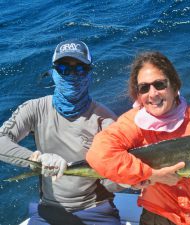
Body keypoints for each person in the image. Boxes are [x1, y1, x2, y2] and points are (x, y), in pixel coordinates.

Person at [86, 51, 190, 225]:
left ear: (174, 85)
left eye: (159, 84)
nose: (152, 94)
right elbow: (98, 154)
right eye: (144, 88)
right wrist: (152, 175)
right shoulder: (133, 122)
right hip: (158, 216)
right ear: (138, 94)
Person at [0, 39, 123, 225]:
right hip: (48, 211)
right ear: (54, 72)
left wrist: (127, 179)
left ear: (89, 73)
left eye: (80, 68)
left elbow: (110, 182)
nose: (72, 75)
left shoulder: (105, 120)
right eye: (64, 68)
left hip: (96, 211)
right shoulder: (35, 108)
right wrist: (39, 159)